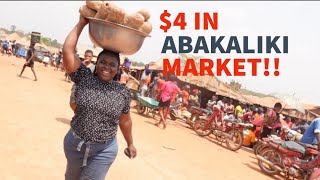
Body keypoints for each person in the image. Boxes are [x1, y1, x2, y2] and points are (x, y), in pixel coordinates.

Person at [63, 16, 136, 180]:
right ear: (97, 63)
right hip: (75, 144)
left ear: (118, 69)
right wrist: (82, 23)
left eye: (112, 65)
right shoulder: (84, 78)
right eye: (103, 62)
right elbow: (68, 50)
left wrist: (130, 143)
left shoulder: (122, 92)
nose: (107, 67)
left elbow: (125, 121)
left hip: (104, 150)